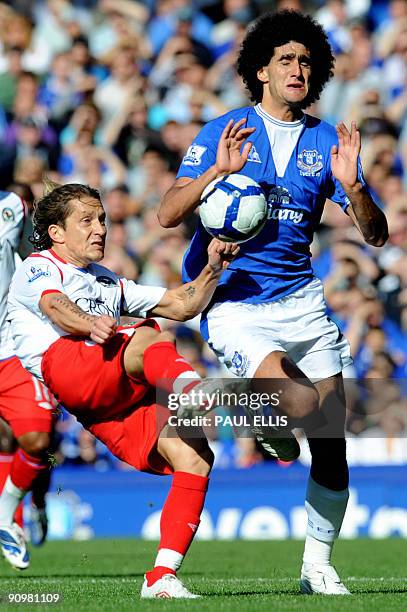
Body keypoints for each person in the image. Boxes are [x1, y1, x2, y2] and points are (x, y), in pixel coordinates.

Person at [159, 10, 389, 595]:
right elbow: (165, 214)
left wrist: (355, 187)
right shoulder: (226, 131)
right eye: (286, 59)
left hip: (302, 301)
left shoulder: (325, 140)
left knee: (332, 445)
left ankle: (317, 567)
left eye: (307, 61)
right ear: (260, 69)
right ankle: (258, 409)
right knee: (301, 403)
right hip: (237, 302)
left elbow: (377, 234)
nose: (298, 68)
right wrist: (217, 170)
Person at [7, 181, 239, 598]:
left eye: (101, 219)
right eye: (86, 221)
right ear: (57, 232)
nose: (100, 229)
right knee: (150, 336)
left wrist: (212, 268)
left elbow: (182, 304)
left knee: (196, 455)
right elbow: (54, 304)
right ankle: (191, 390)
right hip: (65, 364)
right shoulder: (39, 265)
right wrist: (88, 323)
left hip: (109, 405)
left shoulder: (107, 281)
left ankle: (162, 577)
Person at [0, 190, 57, 570]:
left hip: (11, 346)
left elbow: (34, 257)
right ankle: (10, 520)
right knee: (5, 439)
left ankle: (28, 503)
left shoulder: (10, 207)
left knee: (38, 439)